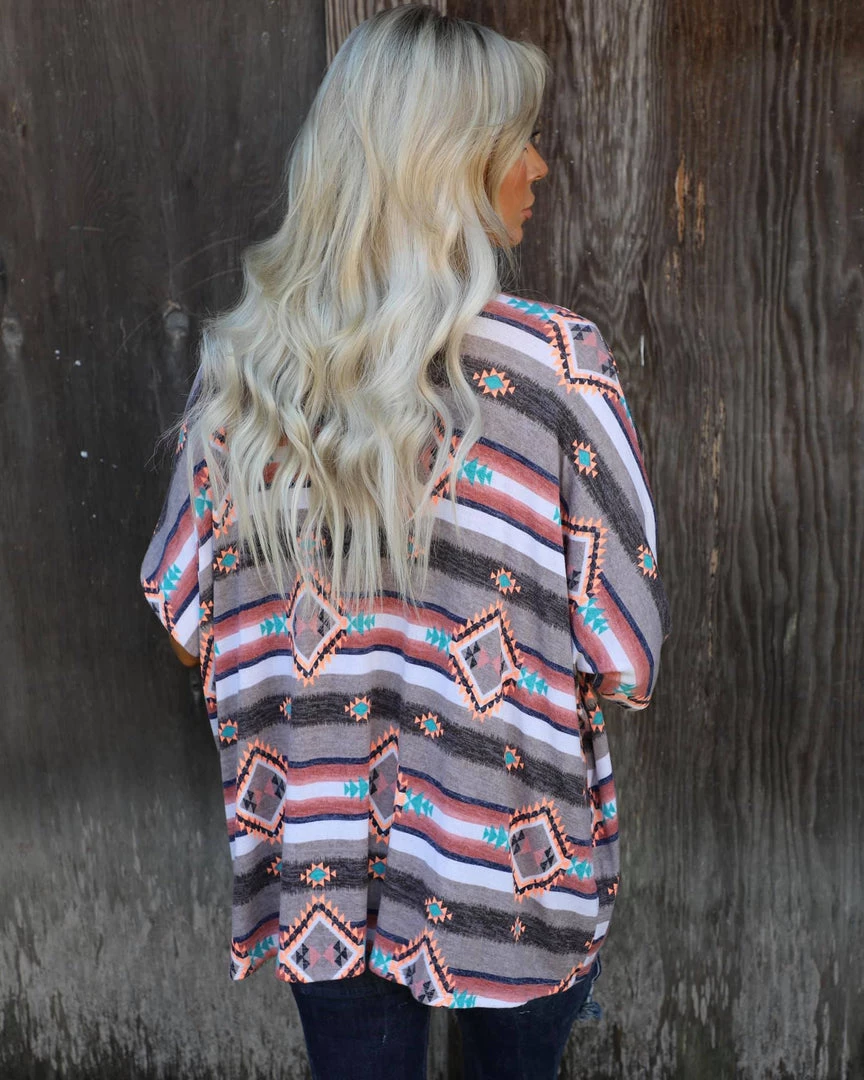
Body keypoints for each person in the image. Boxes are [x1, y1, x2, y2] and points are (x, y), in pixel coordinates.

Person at [140, 5, 671, 1078]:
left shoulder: (246, 378)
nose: (540, 165)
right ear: (449, 165)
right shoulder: (556, 374)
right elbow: (626, 660)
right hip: (510, 879)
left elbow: (185, 620)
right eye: (518, 139)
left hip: (324, 874)